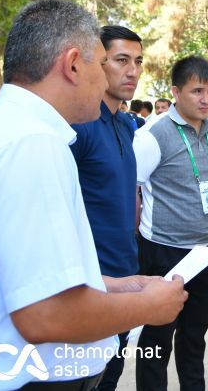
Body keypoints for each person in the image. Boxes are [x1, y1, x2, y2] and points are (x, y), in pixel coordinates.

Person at [0, 0, 187, 390]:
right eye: (101, 61)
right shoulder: (33, 144)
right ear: (73, 64)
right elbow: (44, 313)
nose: (107, 76)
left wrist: (113, 286)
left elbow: (19, 273)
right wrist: (148, 306)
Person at [133, 55, 208, 391]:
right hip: (164, 251)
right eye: (196, 90)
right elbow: (132, 188)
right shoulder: (153, 135)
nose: (205, 98)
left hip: (206, 248)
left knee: (195, 335)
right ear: (175, 92)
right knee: (157, 338)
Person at [69, 25, 144, 391]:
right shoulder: (78, 126)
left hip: (126, 270)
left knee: (111, 376)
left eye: (138, 61)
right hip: (91, 284)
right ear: (99, 63)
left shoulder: (128, 124)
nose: (132, 71)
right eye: (121, 60)